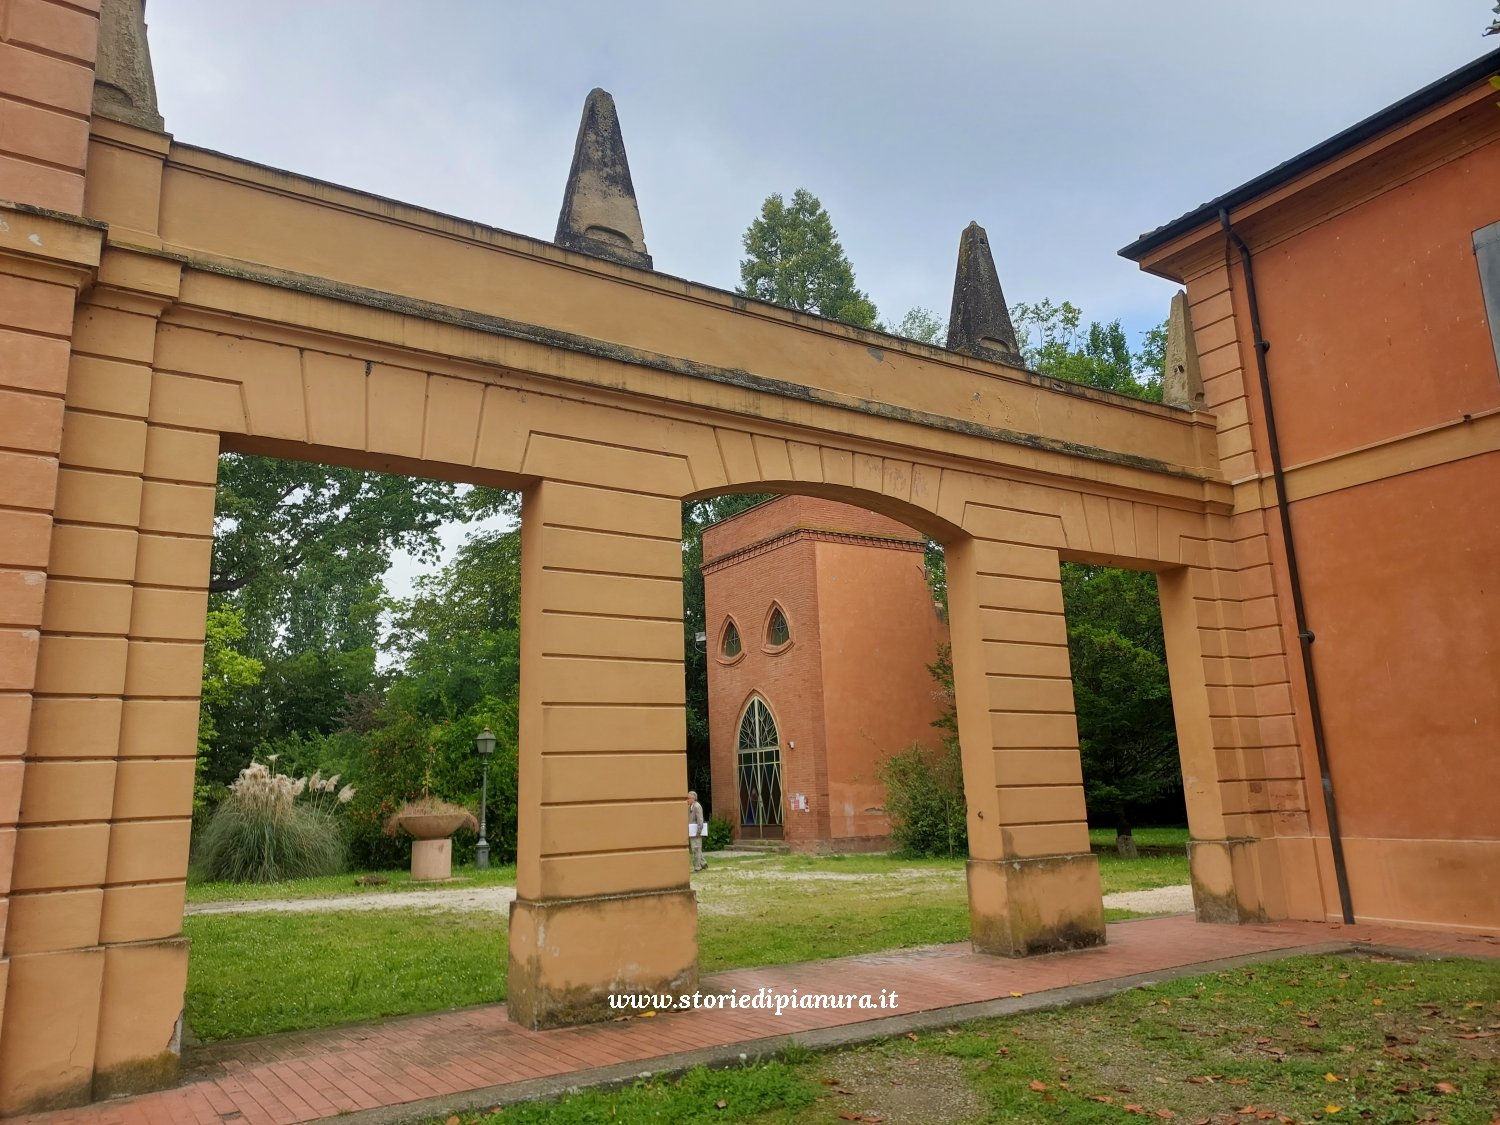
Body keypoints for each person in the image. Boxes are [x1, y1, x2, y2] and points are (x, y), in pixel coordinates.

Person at [687, 790, 707, 872]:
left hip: (696, 832)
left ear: (693, 798)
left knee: (696, 849)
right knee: (696, 848)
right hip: (692, 832)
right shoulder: (690, 807)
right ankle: (703, 863)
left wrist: (699, 831)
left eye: (688, 798)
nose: (687, 800)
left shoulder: (697, 806)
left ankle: (697, 867)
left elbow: (700, 820)